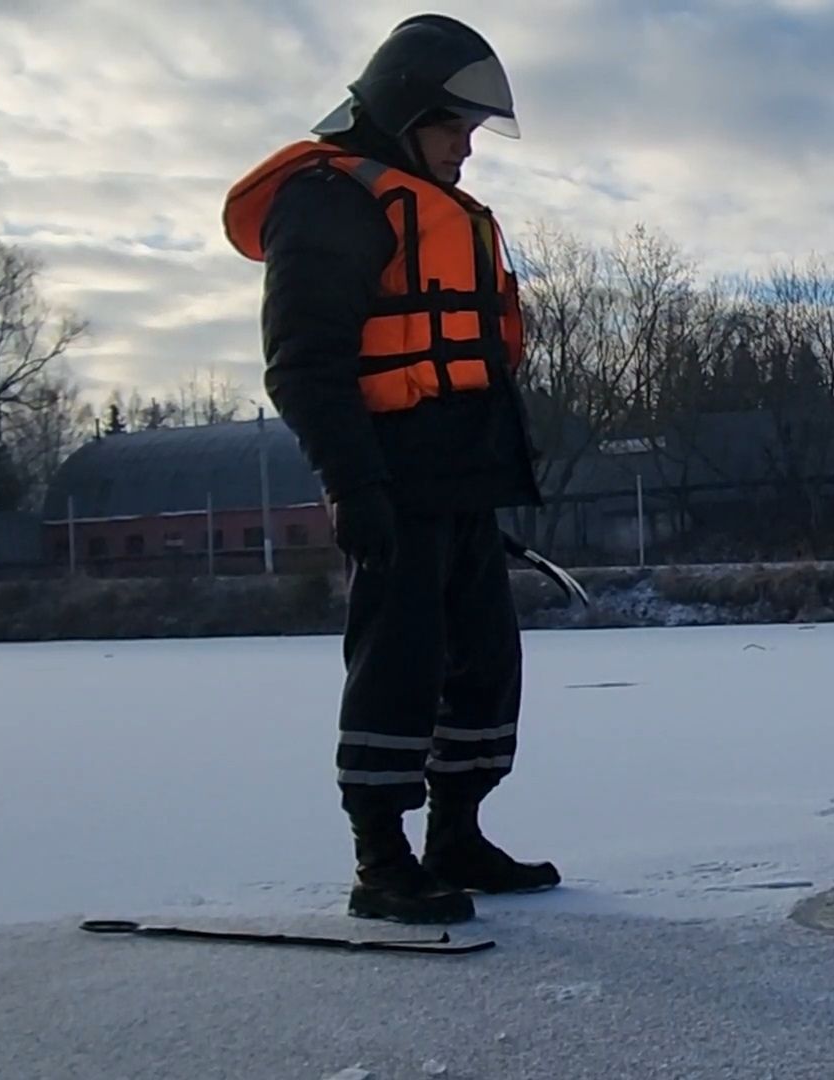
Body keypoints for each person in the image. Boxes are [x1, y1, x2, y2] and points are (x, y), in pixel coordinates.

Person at [222, 13, 558, 924]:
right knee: (399, 666)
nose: (466, 152)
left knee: (484, 665)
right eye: (455, 130)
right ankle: (382, 858)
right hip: (392, 479)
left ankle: (457, 835)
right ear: (404, 115)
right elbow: (304, 360)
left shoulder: (428, 201)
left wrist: (489, 483)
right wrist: (352, 484)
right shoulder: (331, 199)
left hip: (463, 480)